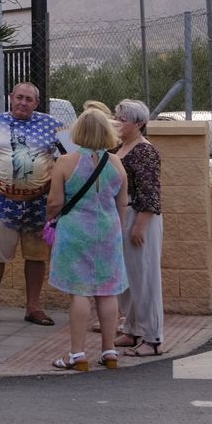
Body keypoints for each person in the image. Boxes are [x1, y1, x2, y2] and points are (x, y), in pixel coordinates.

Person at [0, 81, 65, 327]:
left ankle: (34, 307)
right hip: (1, 202)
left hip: (39, 203)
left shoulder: (53, 125)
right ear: (11, 98)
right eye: (19, 97)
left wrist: (57, 177)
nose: (23, 103)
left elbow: (72, 153)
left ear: (37, 103)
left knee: (36, 256)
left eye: (29, 99)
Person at [48, 104, 130, 372]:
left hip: (74, 232)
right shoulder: (117, 164)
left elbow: (55, 202)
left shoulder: (65, 162)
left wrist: (50, 219)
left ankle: (77, 353)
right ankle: (109, 351)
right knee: (108, 292)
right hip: (108, 232)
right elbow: (122, 204)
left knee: (80, 293)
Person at [113, 98, 164, 356]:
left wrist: (140, 226)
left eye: (123, 119)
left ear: (139, 124)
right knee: (126, 278)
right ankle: (132, 329)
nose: (118, 123)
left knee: (144, 277)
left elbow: (150, 192)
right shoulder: (120, 148)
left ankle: (152, 336)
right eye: (118, 117)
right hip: (121, 214)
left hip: (138, 215)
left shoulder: (144, 151)